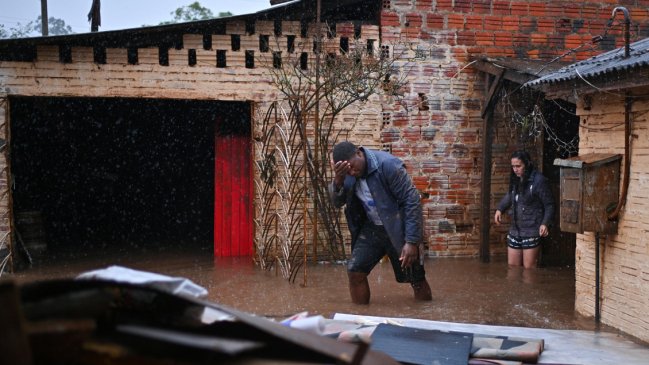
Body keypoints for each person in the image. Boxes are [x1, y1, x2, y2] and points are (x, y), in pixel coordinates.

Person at [329, 141, 432, 304]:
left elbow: (411, 200)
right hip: (372, 229)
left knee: (415, 278)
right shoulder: (346, 174)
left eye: (353, 166)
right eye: (347, 169)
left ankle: (427, 318)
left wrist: (412, 241)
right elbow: (336, 203)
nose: (352, 172)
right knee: (355, 271)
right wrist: (339, 179)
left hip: (398, 228)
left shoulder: (388, 165)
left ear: (359, 153)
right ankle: (361, 320)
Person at [494, 150, 554, 269]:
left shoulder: (539, 181)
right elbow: (511, 194)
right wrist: (500, 209)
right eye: (513, 166)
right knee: (512, 269)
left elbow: (549, 205)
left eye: (518, 166)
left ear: (527, 164)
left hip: (531, 229)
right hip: (515, 230)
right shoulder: (516, 178)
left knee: (529, 270)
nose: (515, 169)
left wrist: (545, 223)